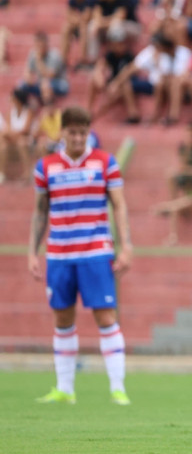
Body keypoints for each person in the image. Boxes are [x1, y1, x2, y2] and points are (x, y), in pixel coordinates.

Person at [28, 106, 133, 405]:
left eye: (82, 133)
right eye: (72, 132)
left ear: (88, 133)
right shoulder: (45, 167)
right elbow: (39, 212)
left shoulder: (105, 163)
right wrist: (32, 253)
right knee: (62, 318)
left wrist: (126, 246)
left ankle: (118, 387)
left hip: (95, 252)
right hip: (59, 253)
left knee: (105, 315)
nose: (77, 138)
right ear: (62, 133)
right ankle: (65, 389)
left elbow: (120, 205)